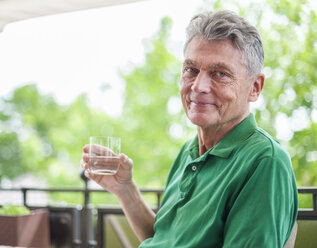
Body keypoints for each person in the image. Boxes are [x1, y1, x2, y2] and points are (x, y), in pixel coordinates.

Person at [81, 10, 298, 248]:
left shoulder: (264, 161)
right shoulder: (189, 150)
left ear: (255, 88)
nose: (198, 86)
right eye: (191, 70)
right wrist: (126, 190)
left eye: (220, 74)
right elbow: (166, 239)